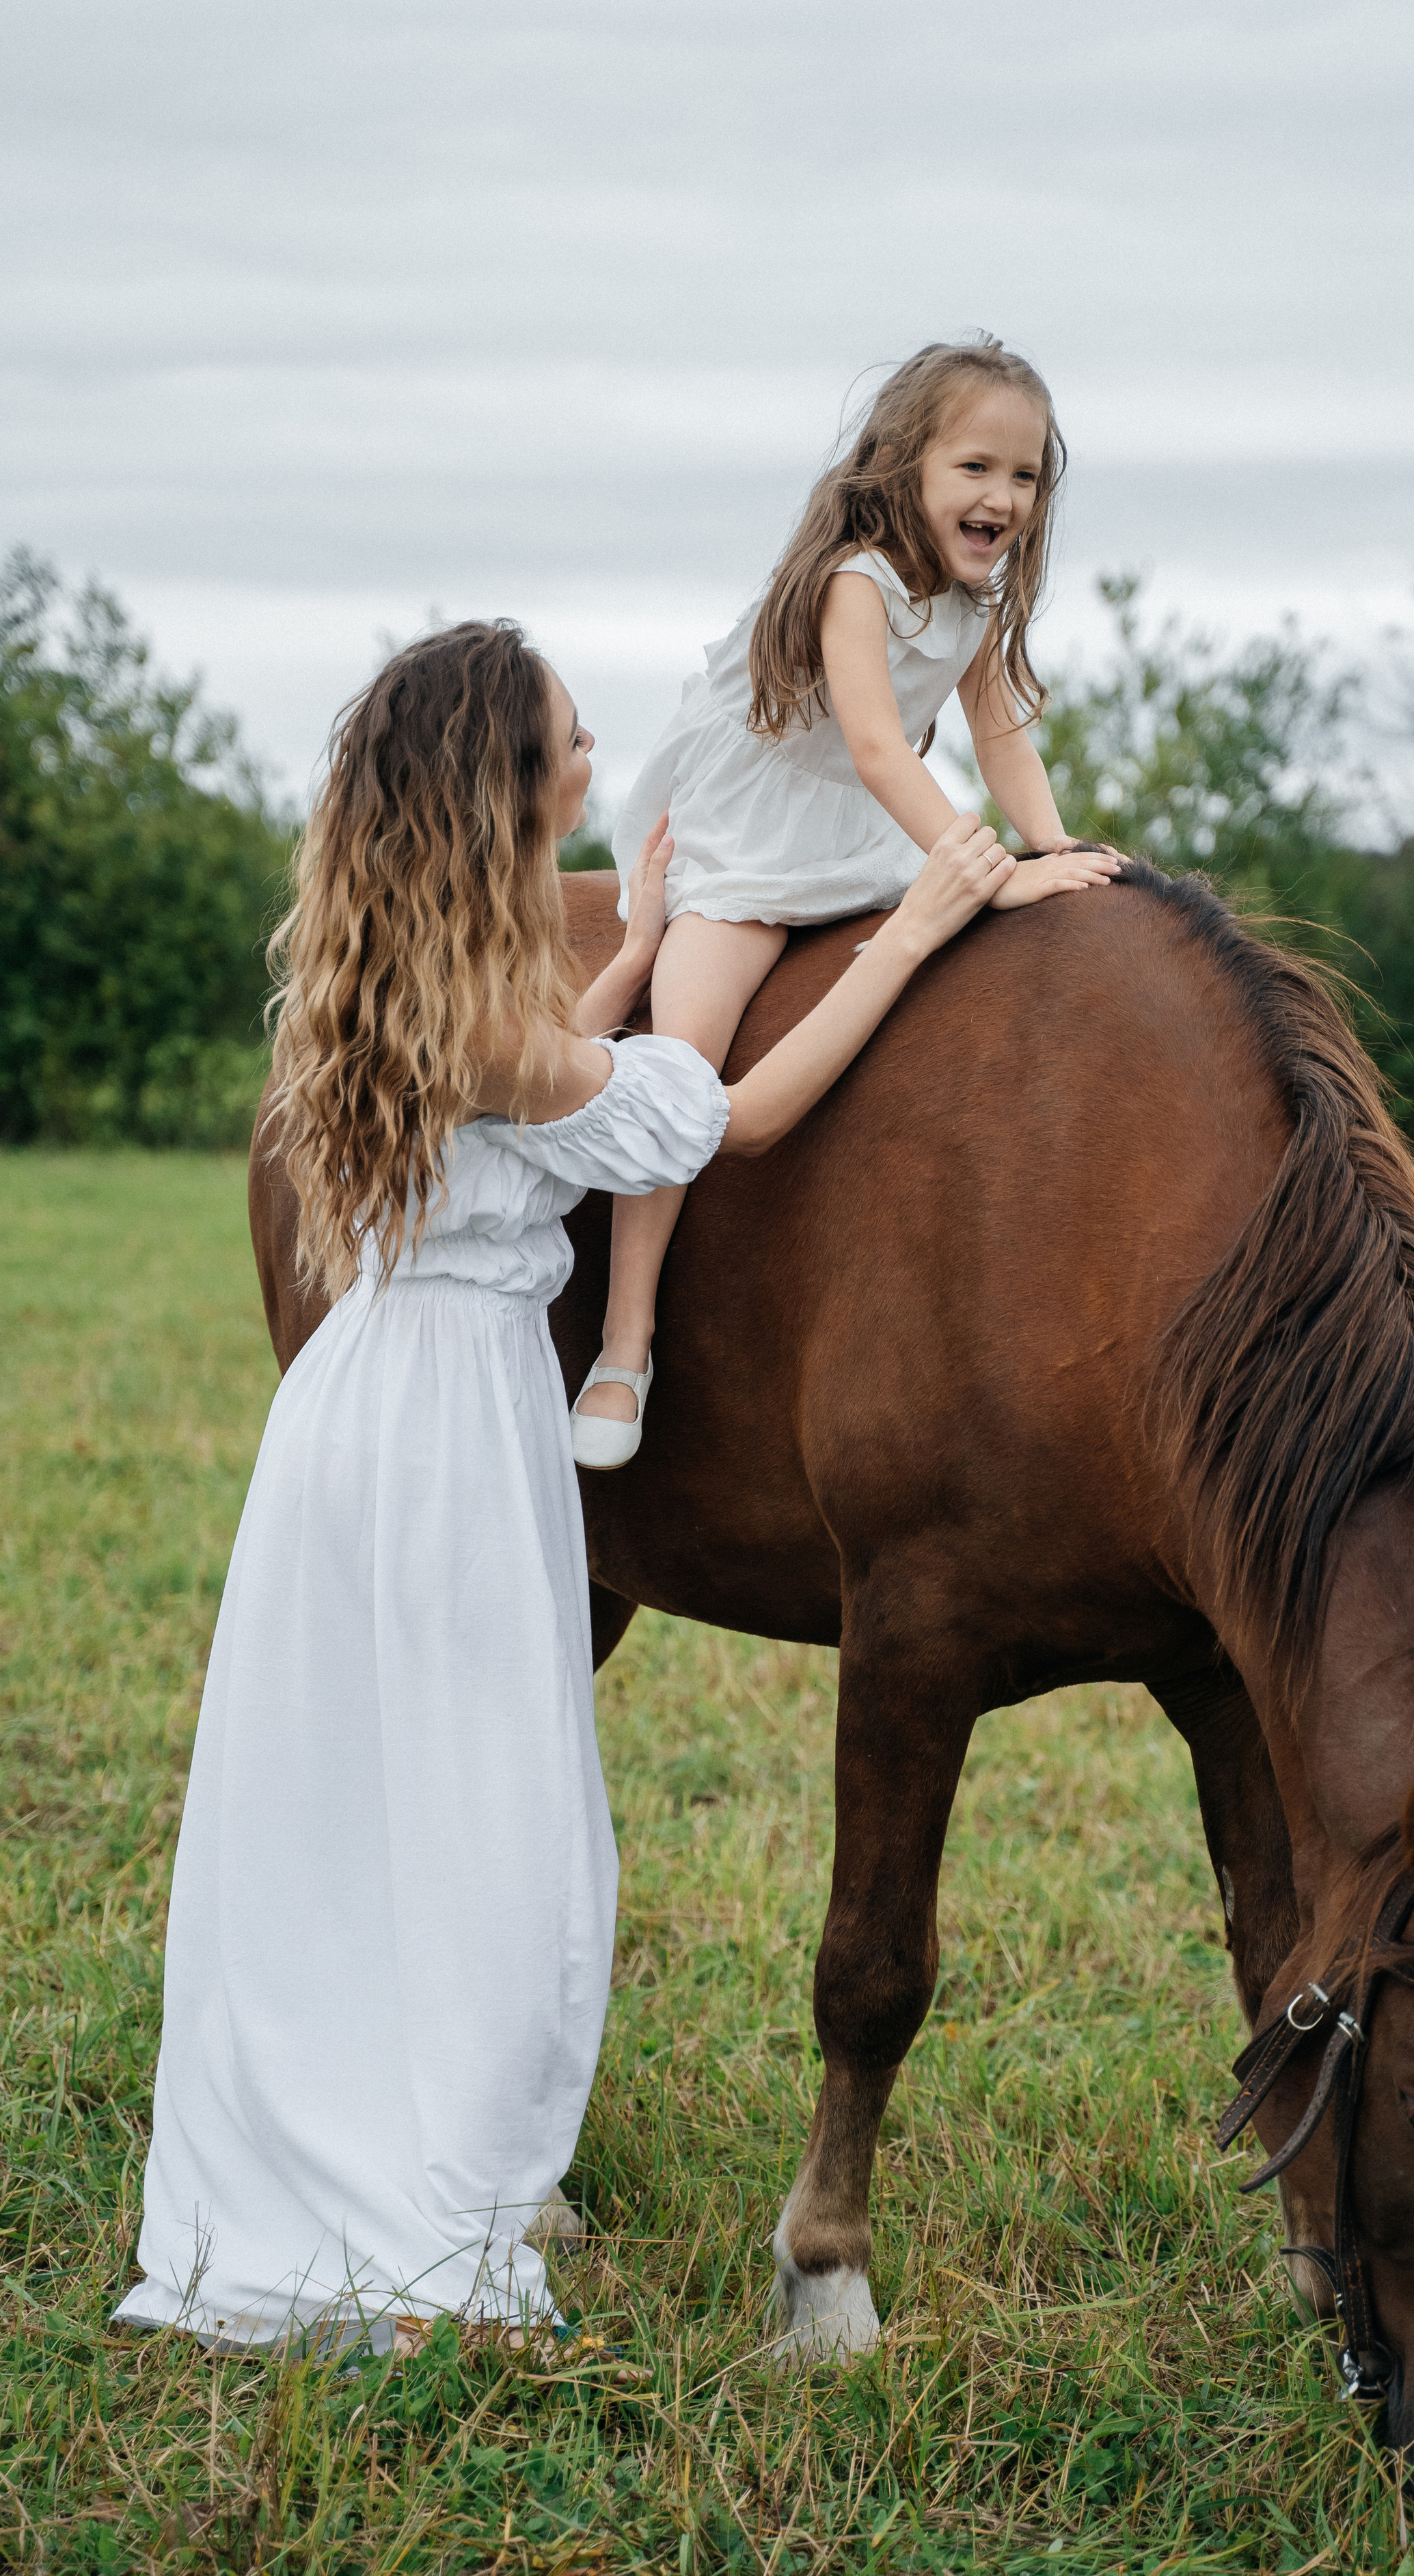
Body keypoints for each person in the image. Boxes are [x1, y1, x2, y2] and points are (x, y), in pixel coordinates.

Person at [113, 619, 1022, 2357]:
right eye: (569, 740)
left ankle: (303, 2124)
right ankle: (434, 2186)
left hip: (351, 1412)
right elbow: (720, 1122)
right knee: (491, 1811)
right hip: (457, 1428)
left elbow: (529, 1085)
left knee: (340, 1794)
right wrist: (904, 932)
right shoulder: (497, 1031)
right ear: (505, 792)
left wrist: (638, 942)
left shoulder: (376, 981)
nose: (598, 753)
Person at [571, 334, 1120, 1467]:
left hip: (859, 835)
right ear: (903, 467)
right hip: (753, 826)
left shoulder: (975, 603)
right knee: (686, 1056)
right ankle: (627, 1338)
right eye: (976, 468)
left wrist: (1055, 842)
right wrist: (990, 871)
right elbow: (877, 746)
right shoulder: (854, 582)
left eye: (1024, 477)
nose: (1002, 498)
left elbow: (1000, 731)